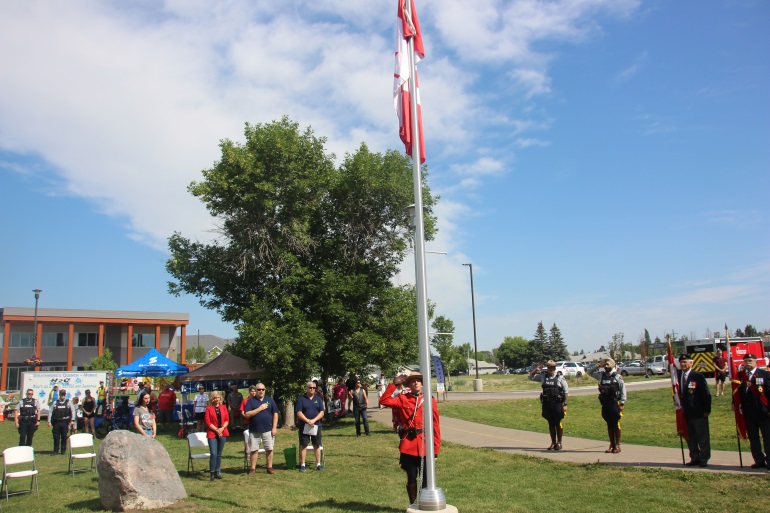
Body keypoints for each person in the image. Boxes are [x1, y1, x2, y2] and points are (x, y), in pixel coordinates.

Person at [379, 371, 441, 506]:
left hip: (425, 444)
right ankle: (413, 505)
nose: (416, 382)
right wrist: (394, 385)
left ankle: (425, 504)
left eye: (418, 380)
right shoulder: (403, 399)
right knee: (411, 478)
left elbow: (435, 425)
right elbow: (383, 401)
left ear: (422, 383)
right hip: (409, 445)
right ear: (409, 384)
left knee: (426, 480)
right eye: (413, 381)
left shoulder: (429, 400)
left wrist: (435, 449)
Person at [735, 353, 770, 469]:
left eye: (750, 360)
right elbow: (736, 393)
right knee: (753, 438)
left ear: (756, 362)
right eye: (745, 361)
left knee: (767, 437)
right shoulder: (740, 376)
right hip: (748, 413)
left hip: (763, 412)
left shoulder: (764, 374)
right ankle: (759, 459)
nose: (747, 363)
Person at [678, 353, 711, 467]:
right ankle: (694, 457)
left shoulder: (697, 376)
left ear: (691, 363)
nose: (683, 364)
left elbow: (706, 394)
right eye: (681, 362)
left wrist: (707, 410)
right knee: (690, 437)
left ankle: (704, 458)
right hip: (685, 413)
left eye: (685, 362)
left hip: (698, 412)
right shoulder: (678, 376)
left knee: (702, 437)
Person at [529, 361, 569, 450]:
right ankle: (553, 442)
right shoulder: (543, 376)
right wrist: (536, 370)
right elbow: (530, 377)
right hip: (547, 404)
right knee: (550, 423)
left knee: (558, 423)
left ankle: (559, 443)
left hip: (557, 404)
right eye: (549, 367)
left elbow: (566, 391)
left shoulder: (559, 377)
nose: (551, 369)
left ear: (555, 368)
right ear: (547, 368)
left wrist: (565, 404)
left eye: (553, 368)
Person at [243, 384, 279, 475]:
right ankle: (252, 469)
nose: (261, 391)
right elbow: (247, 414)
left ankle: (269, 467)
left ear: (265, 390)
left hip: (268, 429)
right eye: (259, 389)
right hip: (254, 430)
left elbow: (275, 414)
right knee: (254, 450)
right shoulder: (251, 401)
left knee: (269, 449)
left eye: (263, 389)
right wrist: (259, 409)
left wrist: (274, 427)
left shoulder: (269, 400)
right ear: (256, 390)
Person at [596, 358, 626, 454]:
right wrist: (597, 366)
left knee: (615, 423)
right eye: (604, 365)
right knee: (609, 424)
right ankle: (611, 444)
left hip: (614, 403)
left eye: (607, 365)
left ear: (612, 365)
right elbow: (589, 373)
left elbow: (623, 390)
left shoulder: (617, 377)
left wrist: (622, 403)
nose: (605, 367)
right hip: (605, 403)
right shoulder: (602, 376)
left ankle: (617, 445)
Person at [295, 381, 325, 472]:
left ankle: (318, 464)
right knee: (303, 445)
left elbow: (322, 412)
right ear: (306, 388)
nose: (312, 389)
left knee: (316, 444)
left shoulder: (318, 399)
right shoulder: (301, 399)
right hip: (304, 426)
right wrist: (307, 421)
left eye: (314, 388)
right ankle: (303, 464)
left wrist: (314, 420)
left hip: (316, 425)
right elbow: (299, 413)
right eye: (310, 387)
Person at [205, 391, 230, 481]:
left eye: (218, 397)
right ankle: (212, 472)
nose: (216, 399)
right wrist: (216, 430)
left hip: (223, 432)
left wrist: (222, 428)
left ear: (220, 398)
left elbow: (227, 419)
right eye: (214, 397)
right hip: (212, 433)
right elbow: (207, 422)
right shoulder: (208, 408)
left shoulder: (223, 407)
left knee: (219, 454)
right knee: (213, 453)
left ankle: (217, 471)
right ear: (212, 398)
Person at [48, 389, 73, 455]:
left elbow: (73, 411)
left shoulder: (68, 402)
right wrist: (49, 421)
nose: (63, 395)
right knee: (56, 437)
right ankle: (55, 450)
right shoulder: (55, 402)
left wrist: (72, 420)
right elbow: (50, 411)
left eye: (64, 394)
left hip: (65, 422)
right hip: (56, 422)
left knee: (64, 437)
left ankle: (63, 450)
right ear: (59, 394)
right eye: (61, 394)